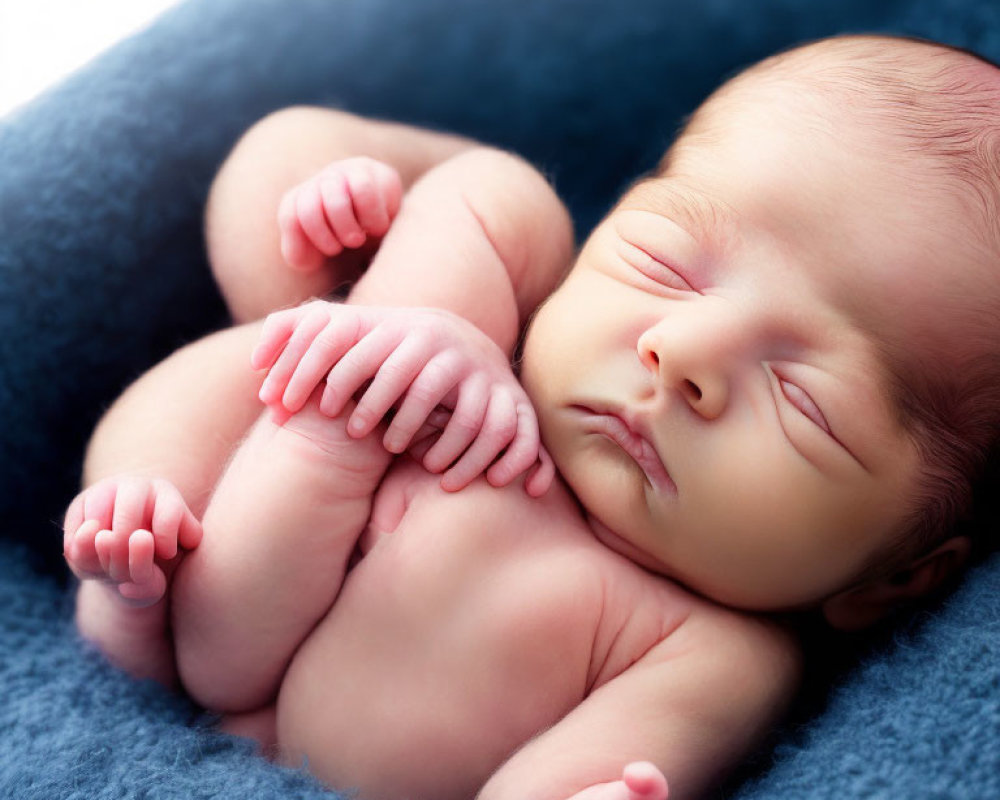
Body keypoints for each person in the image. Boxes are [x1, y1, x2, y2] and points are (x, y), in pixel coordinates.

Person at [62, 33, 1000, 800]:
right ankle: (145, 572)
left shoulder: (714, 655)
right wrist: (351, 204)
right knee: (482, 200)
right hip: (198, 550)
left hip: (282, 726)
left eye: (807, 402)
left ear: (897, 580)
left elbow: (583, 776)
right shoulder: (505, 295)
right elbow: (283, 149)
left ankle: (293, 455)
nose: (684, 353)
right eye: (665, 262)